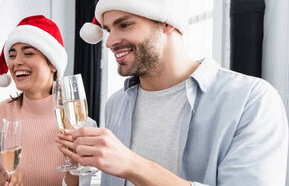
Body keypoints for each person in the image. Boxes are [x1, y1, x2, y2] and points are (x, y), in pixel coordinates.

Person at [57, 0, 288, 185]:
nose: (110, 42)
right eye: (108, 30)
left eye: (125, 25)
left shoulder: (251, 99)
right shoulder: (116, 103)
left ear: (167, 22)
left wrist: (133, 166)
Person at [0, 15, 85, 186]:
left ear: (53, 64)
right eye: (12, 55)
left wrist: (75, 164)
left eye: (28, 53)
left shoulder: (80, 122)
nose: (16, 62)